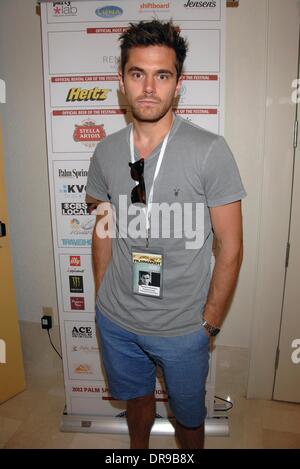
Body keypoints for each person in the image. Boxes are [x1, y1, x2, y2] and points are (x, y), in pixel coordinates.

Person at [86, 19, 246, 449]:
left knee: (189, 419)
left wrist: (209, 322)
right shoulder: (104, 151)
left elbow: (230, 246)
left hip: (182, 329)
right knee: (137, 405)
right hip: (118, 321)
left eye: (163, 74)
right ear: (121, 80)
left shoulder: (209, 150)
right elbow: (103, 228)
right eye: (138, 73)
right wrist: (103, 297)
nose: (150, 87)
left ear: (178, 83)